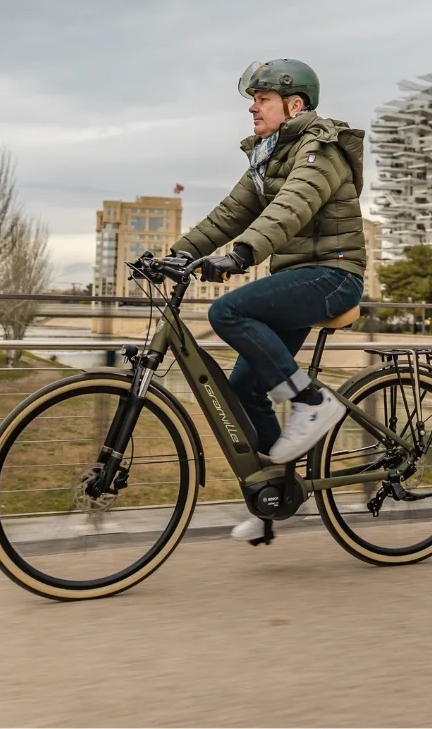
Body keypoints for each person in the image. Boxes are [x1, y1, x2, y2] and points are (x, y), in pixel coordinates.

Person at [170, 59, 366, 542]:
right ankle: (274, 497)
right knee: (242, 390)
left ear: (294, 105)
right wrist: (177, 254)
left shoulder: (322, 149)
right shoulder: (267, 157)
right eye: (253, 100)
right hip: (297, 279)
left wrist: (241, 254)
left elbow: (291, 207)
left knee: (227, 310)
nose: (252, 108)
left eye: (262, 99)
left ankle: (310, 402)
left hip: (333, 276)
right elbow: (228, 214)